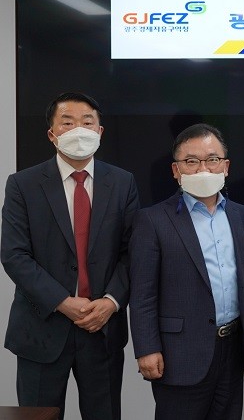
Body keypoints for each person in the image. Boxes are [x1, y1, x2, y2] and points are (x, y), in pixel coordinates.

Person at [1, 92, 139, 420]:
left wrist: (111, 302)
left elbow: (132, 252)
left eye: (87, 122)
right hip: (41, 329)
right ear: (52, 134)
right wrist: (63, 301)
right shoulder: (23, 184)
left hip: (102, 327)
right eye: (67, 122)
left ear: (100, 131)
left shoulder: (123, 183)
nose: (79, 129)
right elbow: (14, 254)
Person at [129, 123, 244, 420]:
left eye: (212, 159)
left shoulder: (241, 216)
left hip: (232, 348)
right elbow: (142, 295)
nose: (203, 169)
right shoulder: (152, 221)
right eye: (191, 161)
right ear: (176, 170)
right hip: (180, 354)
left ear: (226, 166)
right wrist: (146, 348)